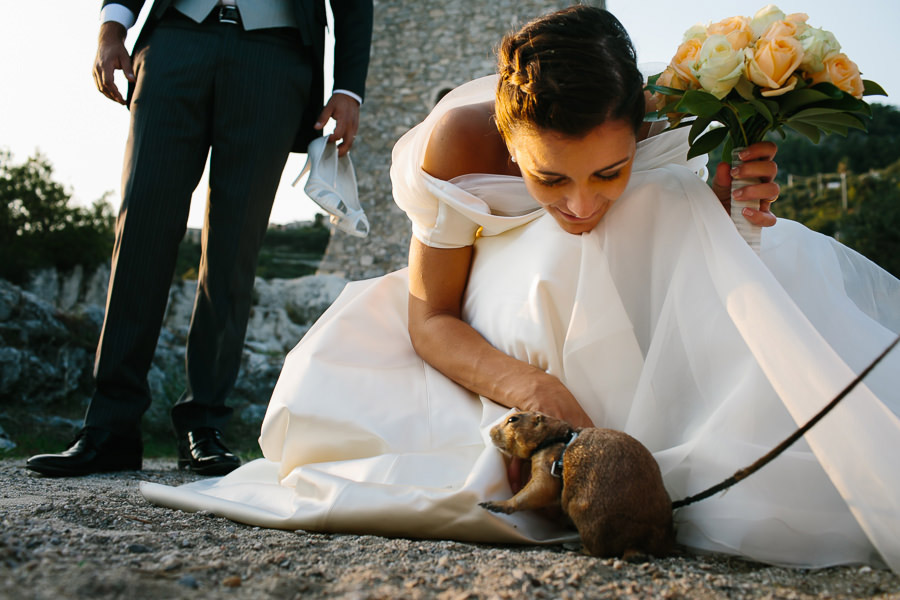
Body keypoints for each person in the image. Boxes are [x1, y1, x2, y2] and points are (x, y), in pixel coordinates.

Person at [142, 7, 900, 571]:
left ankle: (701, 441)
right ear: (509, 140)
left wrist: (730, 204)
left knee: (666, 206)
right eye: (548, 177)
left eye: (608, 170)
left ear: (638, 123)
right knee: (569, 251)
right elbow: (431, 316)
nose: (579, 203)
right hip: (488, 308)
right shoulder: (459, 143)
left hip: (627, 307)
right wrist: (529, 387)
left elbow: (689, 258)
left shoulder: (670, 121)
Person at [25, 0, 373, 477]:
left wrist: (348, 87)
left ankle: (203, 423)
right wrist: (111, 30)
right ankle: (110, 425)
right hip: (175, 42)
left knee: (234, 248)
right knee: (141, 230)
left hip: (275, 56)